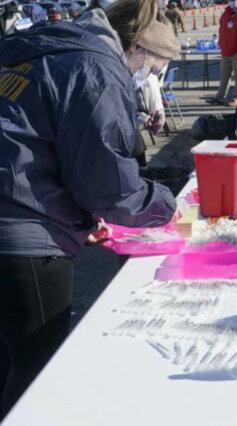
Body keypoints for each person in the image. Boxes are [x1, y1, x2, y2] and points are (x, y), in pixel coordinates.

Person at [0, 0, 179, 416]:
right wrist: (167, 203)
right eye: (153, 70)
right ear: (136, 50)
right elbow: (110, 191)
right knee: (36, 375)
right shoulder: (96, 69)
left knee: (8, 362)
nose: (147, 79)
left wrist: (82, 215)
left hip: (16, 217)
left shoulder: (49, 51)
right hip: (24, 239)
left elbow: (47, 144)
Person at [207, 0, 237, 107]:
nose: (232, 2)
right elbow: (222, 29)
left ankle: (236, 98)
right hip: (226, 51)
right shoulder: (226, 13)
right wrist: (221, 44)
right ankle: (220, 96)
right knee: (224, 75)